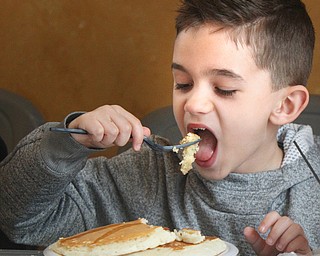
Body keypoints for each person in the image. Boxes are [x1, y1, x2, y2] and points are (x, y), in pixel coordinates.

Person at [0, 0, 319, 255]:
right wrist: (67, 145)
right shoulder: (143, 175)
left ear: (285, 105)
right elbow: (19, 219)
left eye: (223, 88)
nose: (194, 104)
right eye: (183, 83)